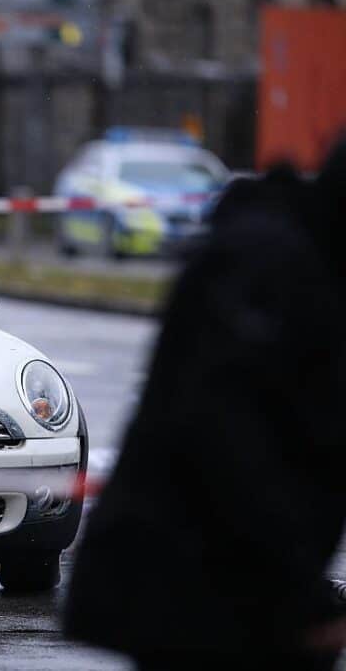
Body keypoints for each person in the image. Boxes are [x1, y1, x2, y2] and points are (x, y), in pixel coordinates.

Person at [64, 140, 346, 670]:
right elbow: (229, 442)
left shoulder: (289, 261)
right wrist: (300, 598)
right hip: (200, 597)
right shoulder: (270, 268)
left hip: (225, 592)